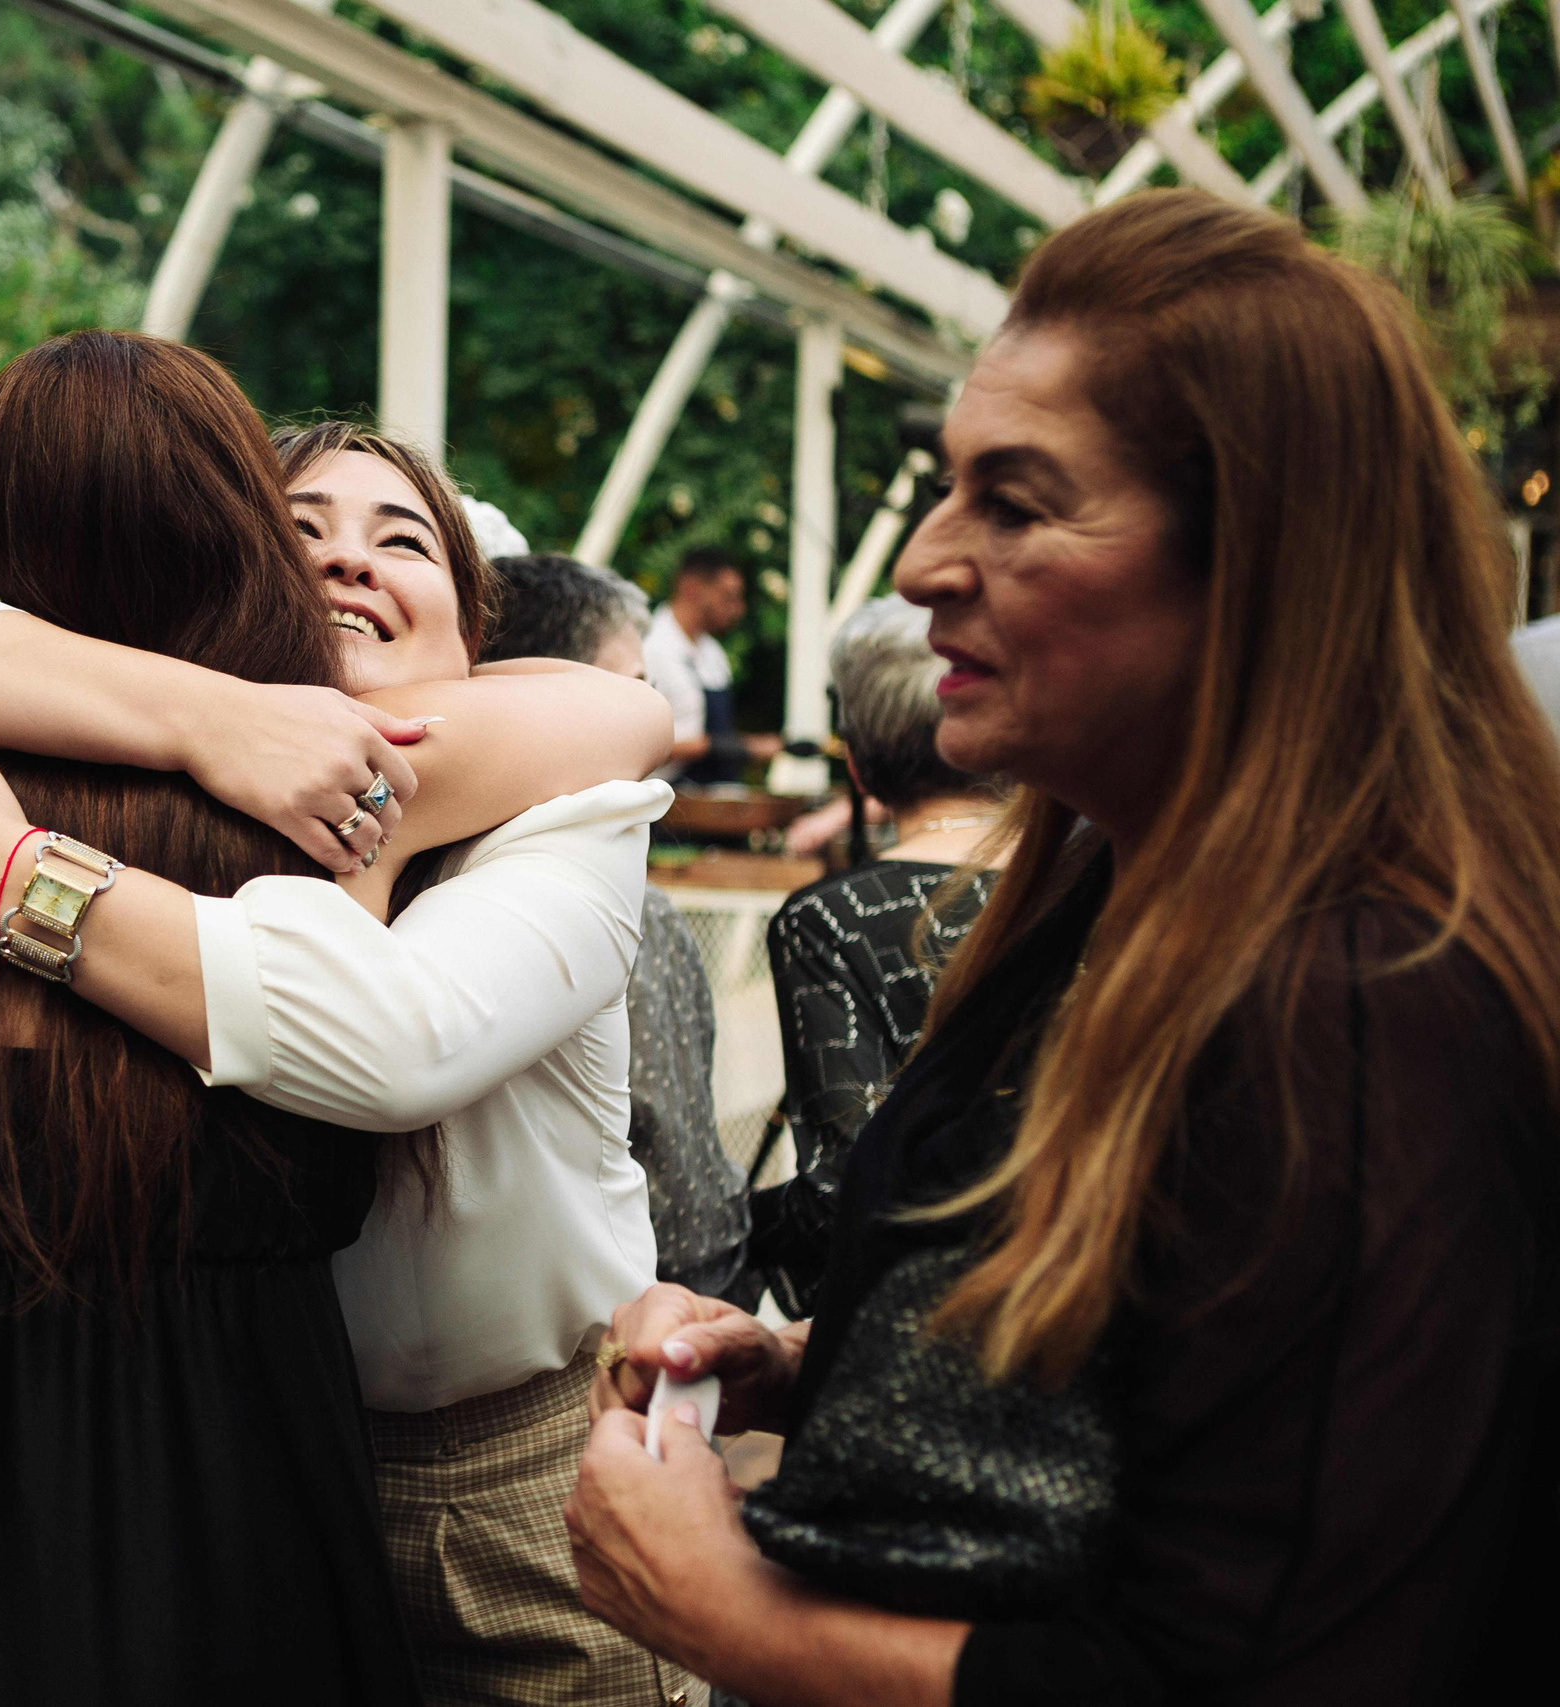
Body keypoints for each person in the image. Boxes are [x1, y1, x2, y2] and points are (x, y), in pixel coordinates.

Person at [566, 189, 1560, 1703]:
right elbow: (1174, 1359)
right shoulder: (1109, 886)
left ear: (1259, 562)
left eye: (1017, 505)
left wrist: (724, 1610)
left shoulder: (1364, 1004)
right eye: (948, 488)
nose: (923, 561)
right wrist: (830, 1360)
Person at [0, 420, 689, 1704]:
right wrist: (216, 721)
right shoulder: (159, 778)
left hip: (512, 1480)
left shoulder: (567, 808)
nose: (348, 561)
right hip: (242, 1446)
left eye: (402, 541)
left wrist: (15, 879)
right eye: (295, 531)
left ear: (473, 635)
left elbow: (390, 1044)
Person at [482, 552, 746, 1299]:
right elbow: (676, 1161)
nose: (653, 721)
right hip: (614, 1312)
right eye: (634, 689)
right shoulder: (635, 912)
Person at [749, 598, 1006, 1316]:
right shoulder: (1096, 875)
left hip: (924, 1316)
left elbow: (844, 1185)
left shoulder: (831, 918)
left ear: (858, 766)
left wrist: (741, 1222)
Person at [642, 553, 777, 788]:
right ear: (692, 587)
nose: (739, 609)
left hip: (716, 793)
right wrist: (740, 747)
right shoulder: (649, 648)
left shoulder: (713, 652)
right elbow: (639, 747)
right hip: (668, 794)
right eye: (728, 597)